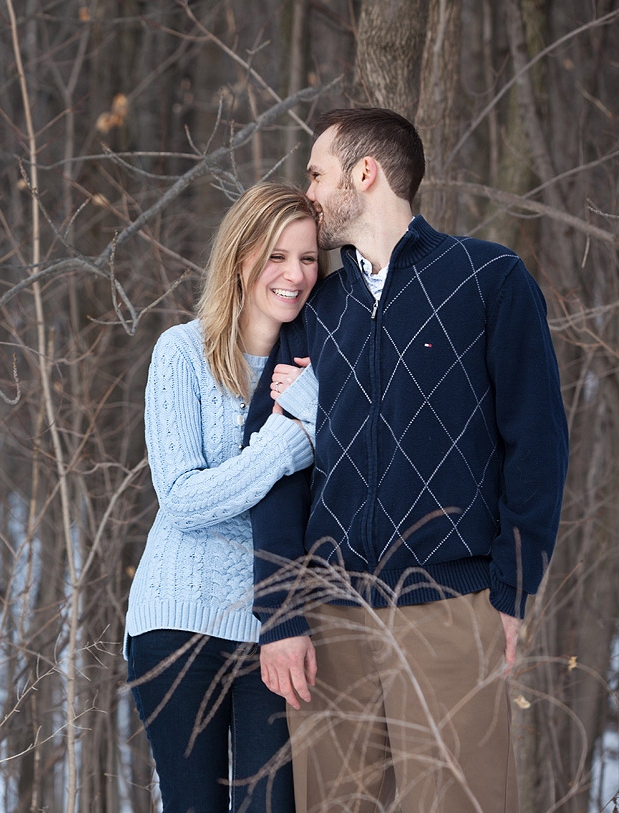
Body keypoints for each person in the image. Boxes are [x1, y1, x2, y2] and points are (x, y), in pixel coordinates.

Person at [246, 108, 570, 812]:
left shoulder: (488, 280)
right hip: (327, 620)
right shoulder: (314, 306)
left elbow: (537, 442)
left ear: (365, 174)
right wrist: (280, 614)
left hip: (450, 608)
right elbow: (273, 469)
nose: (308, 194)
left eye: (317, 174)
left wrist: (512, 589)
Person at [125, 182, 323, 813]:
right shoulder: (181, 353)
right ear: (240, 260)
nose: (295, 275)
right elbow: (182, 498)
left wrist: (319, 408)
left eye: (309, 259)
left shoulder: (324, 372)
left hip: (277, 628)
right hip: (178, 621)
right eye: (277, 257)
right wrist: (288, 442)